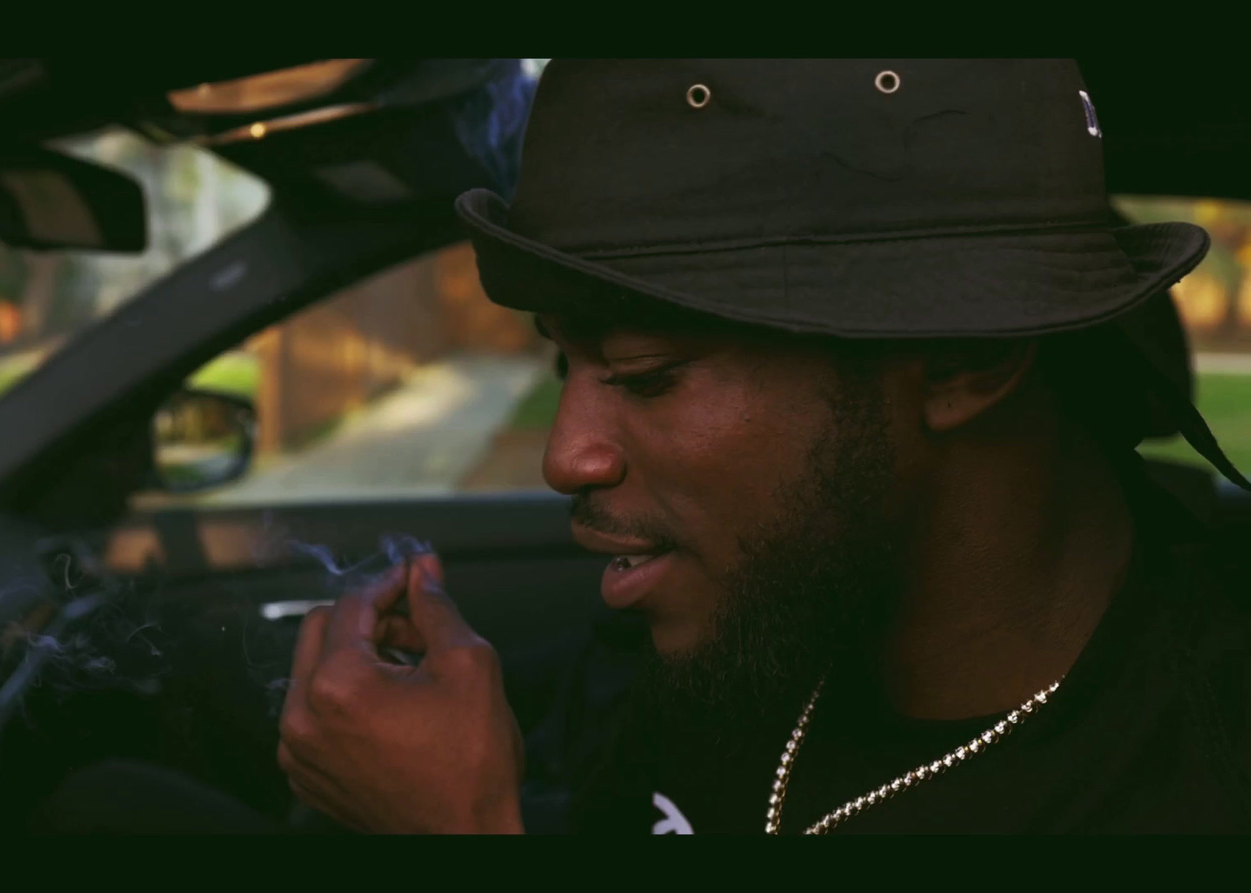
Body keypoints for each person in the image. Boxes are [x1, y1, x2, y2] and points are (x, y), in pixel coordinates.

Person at [272, 59, 1251, 834]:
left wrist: (459, 828)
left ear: (963, 356)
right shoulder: (758, 609)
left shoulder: (1191, 784)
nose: (565, 457)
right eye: (564, 366)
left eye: (647, 372)